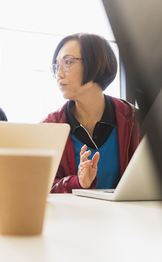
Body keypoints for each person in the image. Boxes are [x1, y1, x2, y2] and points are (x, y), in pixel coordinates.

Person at [42, 33, 143, 194]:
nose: (59, 74)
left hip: (127, 217)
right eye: (57, 66)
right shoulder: (49, 127)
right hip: (71, 218)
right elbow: (40, 185)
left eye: (67, 62)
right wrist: (78, 182)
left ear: (95, 63)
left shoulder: (135, 121)